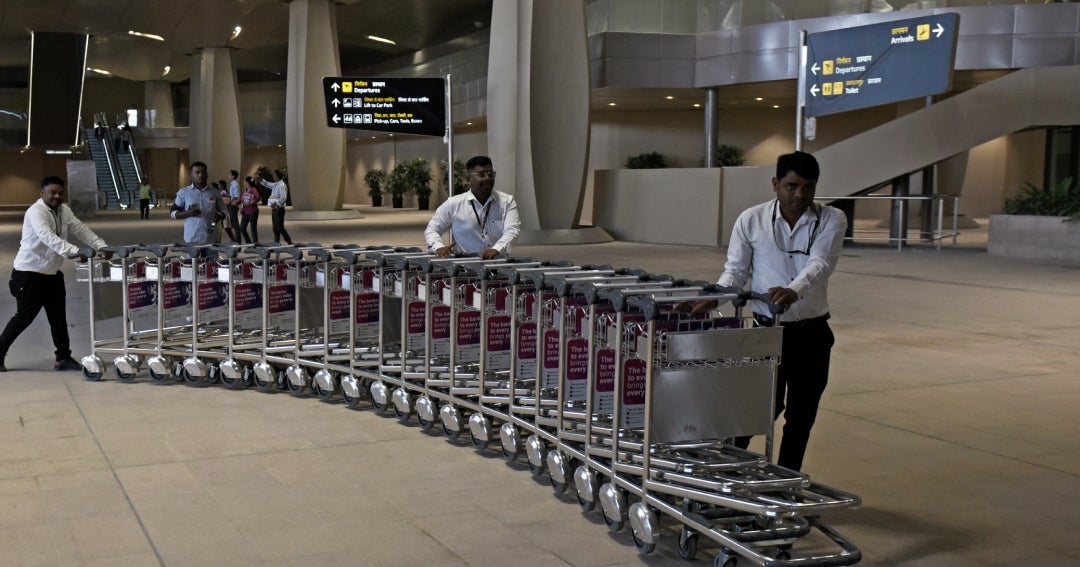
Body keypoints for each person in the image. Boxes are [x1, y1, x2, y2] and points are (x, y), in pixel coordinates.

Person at [683, 151, 846, 472]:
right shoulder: (751, 220)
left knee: (801, 417)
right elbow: (735, 271)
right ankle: (723, 473)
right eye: (791, 185)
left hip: (812, 334)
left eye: (808, 187)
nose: (799, 194)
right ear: (775, 184)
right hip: (765, 333)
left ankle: (785, 483)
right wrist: (715, 297)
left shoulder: (831, 218)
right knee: (753, 409)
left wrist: (793, 291)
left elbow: (820, 263)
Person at [0, 176, 107, 372]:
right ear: (42, 193)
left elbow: (80, 228)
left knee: (58, 318)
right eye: (52, 193)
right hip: (29, 274)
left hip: (52, 275)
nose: (57, 196)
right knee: (24, 317)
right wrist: (75, 251)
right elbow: (47, 236)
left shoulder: (63, 210)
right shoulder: (36, 212)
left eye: (60, 193)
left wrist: (100, 245)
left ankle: (63, 357)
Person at [424, 155, 520, 259]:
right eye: (481, 175)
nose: (487, 178)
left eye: (490, 174)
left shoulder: (507, 202)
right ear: (469, 178)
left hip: (499, 264)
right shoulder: (454, 204)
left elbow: (512, 230)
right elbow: (432, 229)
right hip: (465, 268)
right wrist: (438, 247)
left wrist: (497, 249)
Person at [171, 161, 228, 244]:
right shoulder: (184, 192)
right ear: (191, 175)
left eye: (203, 172)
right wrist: (188, 213)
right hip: (192, 238)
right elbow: (173, 213)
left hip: (211, 238)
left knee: (212, 258)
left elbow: (225, 210)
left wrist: (221, 215)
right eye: (197, 172)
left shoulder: (214, 192)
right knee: (193, 257)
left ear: (207, 174)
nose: (200, 175)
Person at [258, 169, 292, 245]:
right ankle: (276, 243)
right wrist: (261, 180)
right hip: (275, 208)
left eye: (274, 175)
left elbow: (283, 197)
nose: (273, 176)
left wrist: (277, 205)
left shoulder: (282, 185)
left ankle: (289, 241)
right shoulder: (276, 184)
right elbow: (268, 184)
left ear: (277, 176)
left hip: (279, 209)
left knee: (279, 227)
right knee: (275, 228)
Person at [239, 176, 261, 244]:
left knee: (253, 229)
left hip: (252, 212)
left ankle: (255, 244)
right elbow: (242, 199)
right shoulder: (246, 190)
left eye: (244, 181)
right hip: (245, 212)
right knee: (242, 228)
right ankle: (249, 243)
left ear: (247, 182)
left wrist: (250, 202)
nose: (244, 182)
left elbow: (257, 197)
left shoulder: (253, 189)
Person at [226, 170, 242, 243]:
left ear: (233, 176)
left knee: (235, 225)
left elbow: (236, 196)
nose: (228, 175)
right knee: (234, 224)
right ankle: (236, 240)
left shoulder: (235, 184)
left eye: (229, 174)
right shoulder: (232, 184)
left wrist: (229, 201)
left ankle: (238, 242)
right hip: (231, 205)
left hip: (233, 206)